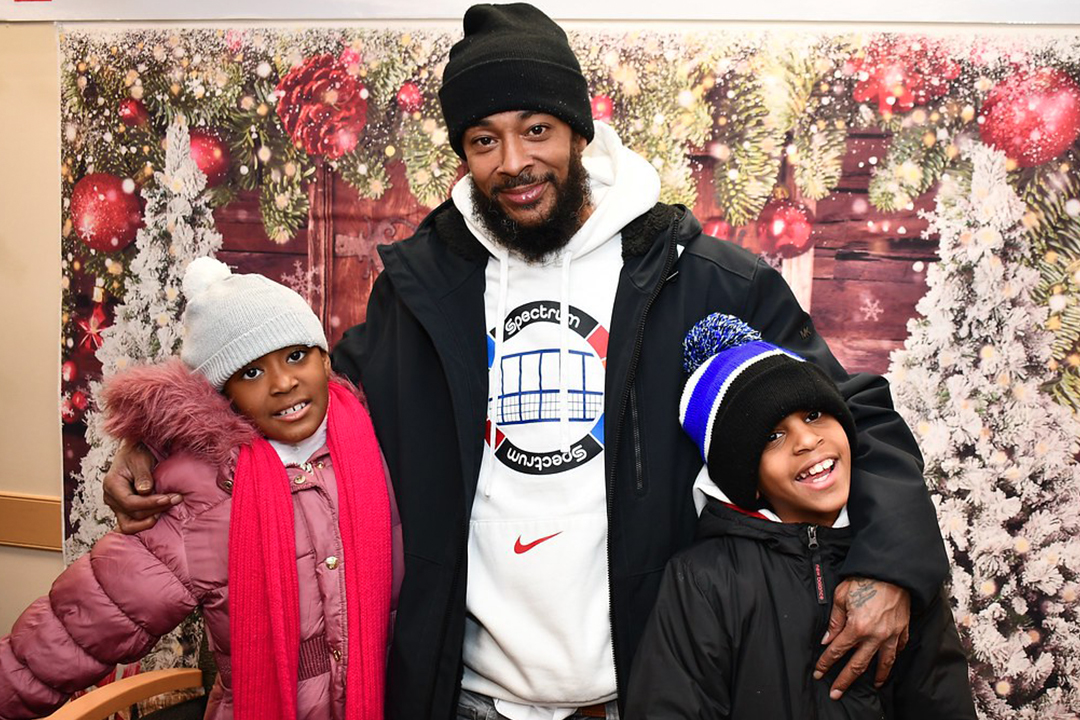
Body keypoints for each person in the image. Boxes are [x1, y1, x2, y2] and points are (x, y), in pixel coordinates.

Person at [102, 5, 950, 719]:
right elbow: (306, 410)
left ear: (579, 130)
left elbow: (850, 415)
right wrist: (167, 444)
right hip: (465, 697)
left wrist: (891, 564)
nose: (513, 163)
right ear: (463, 153)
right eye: (484, 140)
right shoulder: (422, 289)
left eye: (536, 130)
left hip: (645, 694)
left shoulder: (701, 279)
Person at [0, 258, 402, 720]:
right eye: (251, 373)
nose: (283, 382)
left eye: (296, 356)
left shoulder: (380, 441)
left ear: (324, 358)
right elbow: (81, 625)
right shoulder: (201, 493)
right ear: (222, 395)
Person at [623, 313, 975, 719]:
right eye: (773, 436)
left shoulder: (898, 571)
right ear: (747, 479)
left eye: (813, 415)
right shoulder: (706, 580)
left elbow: (941, 702)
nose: (807, 440)